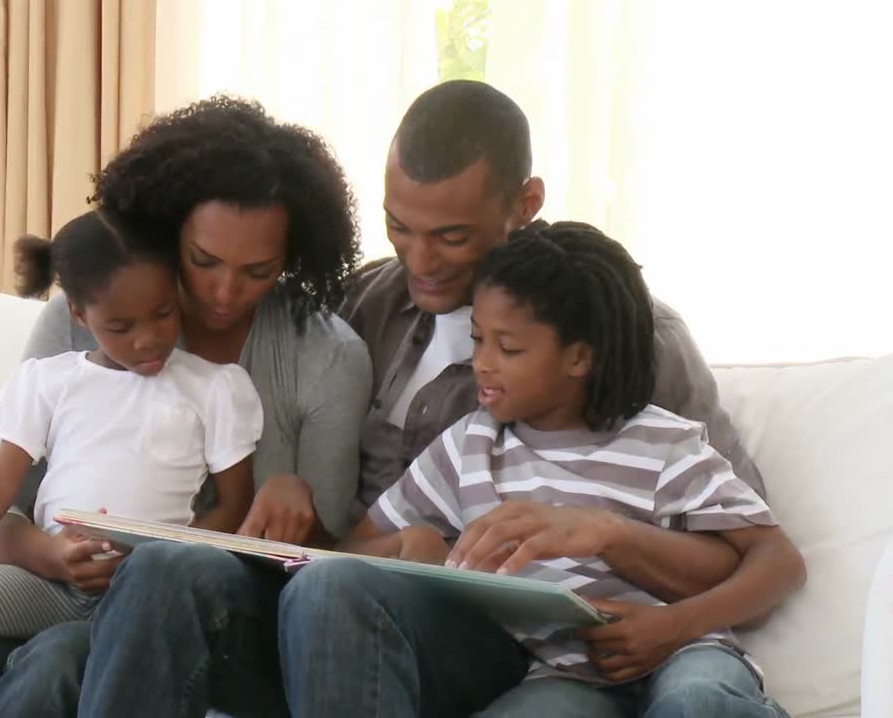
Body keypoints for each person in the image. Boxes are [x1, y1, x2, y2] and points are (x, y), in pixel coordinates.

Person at [57, 81, 804, 717]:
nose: (419, 261)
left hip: (488, 641)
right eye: (398, 228)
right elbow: (344, 544)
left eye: (450, 236)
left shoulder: (629, 339)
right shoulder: (362, 309)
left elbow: (749, 554)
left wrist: (632, 572)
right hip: (341, 612)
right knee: (164, 579)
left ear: (525, 204)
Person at [0, 96, 372, 717]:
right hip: (52, 588)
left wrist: (294, 499)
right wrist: (55, 559)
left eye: (257, 271)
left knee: (54, 665)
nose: (224, 293)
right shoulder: (78, 324)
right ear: (167, 227)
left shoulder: (325, 357)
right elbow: (5, 505)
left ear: (293, 258)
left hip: (220, 615)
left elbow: (327, 568)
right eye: (202, 261)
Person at [324, 222, 801, 717]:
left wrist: (676, 625)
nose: (483, 364)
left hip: (687, 650)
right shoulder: (470, 446)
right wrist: (406, 547)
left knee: (696, 702)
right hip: (563, 674)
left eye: (508, 348)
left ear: (578, 358)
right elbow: (351, 552)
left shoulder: (661, 443)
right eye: (478, 340)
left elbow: (780, 562)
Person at [0, 208, 264, 717]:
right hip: (46, 584)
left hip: (140, 601)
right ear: (79, 315)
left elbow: (235, 503)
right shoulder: (49, 382)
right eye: (120, 326)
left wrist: (155, 567)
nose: (147, 339)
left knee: (53, 665)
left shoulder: (214, 388)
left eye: (163, 314)